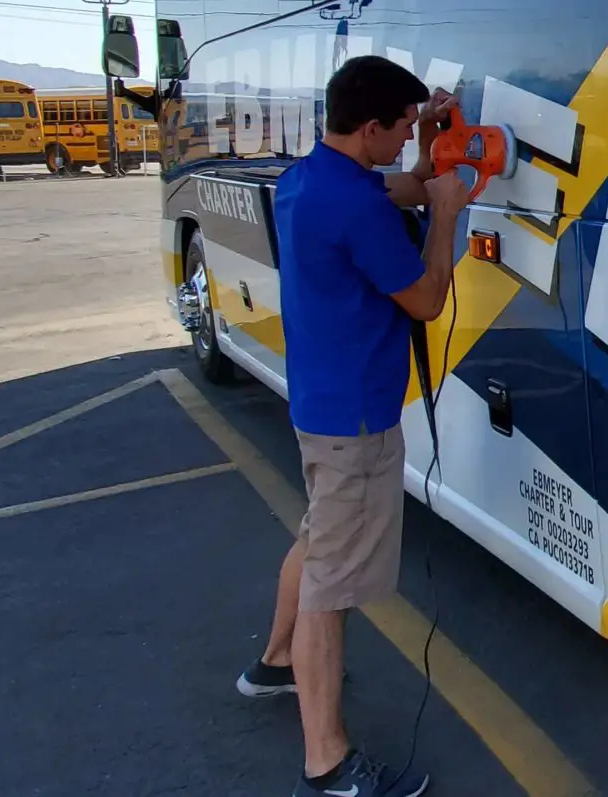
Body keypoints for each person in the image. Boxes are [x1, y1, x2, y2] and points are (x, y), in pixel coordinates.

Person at [231, 56, 472, 797]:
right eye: (401, 129)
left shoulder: (309, 181)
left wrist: (433, 153)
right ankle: (327, 762)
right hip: (358, 423)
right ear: (369, 127)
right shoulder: (361, 208)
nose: (407, 143)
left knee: (319, 539)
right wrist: (448, 216)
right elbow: (428, 298)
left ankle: (273, 662)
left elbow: (405, 182)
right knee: (331, 590)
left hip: (320, 406)